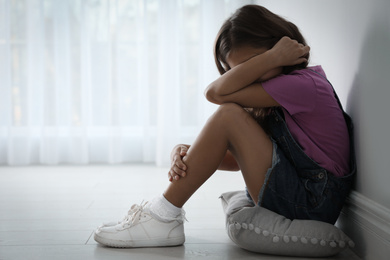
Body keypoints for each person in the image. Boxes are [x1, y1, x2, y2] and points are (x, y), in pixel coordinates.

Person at [94, 4, 355, 248]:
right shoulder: (279, 94)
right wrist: (191, 153)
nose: (249, 75)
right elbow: (237, 160)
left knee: (228, 114)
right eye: (239, 70)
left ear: (278, 48)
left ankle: (162, 217)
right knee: (228, 117)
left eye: (253, 64)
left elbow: (215, 93)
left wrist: (270, 59)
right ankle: (162, 216)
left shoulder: (302, 86)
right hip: (300, 193)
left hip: (311, 202)